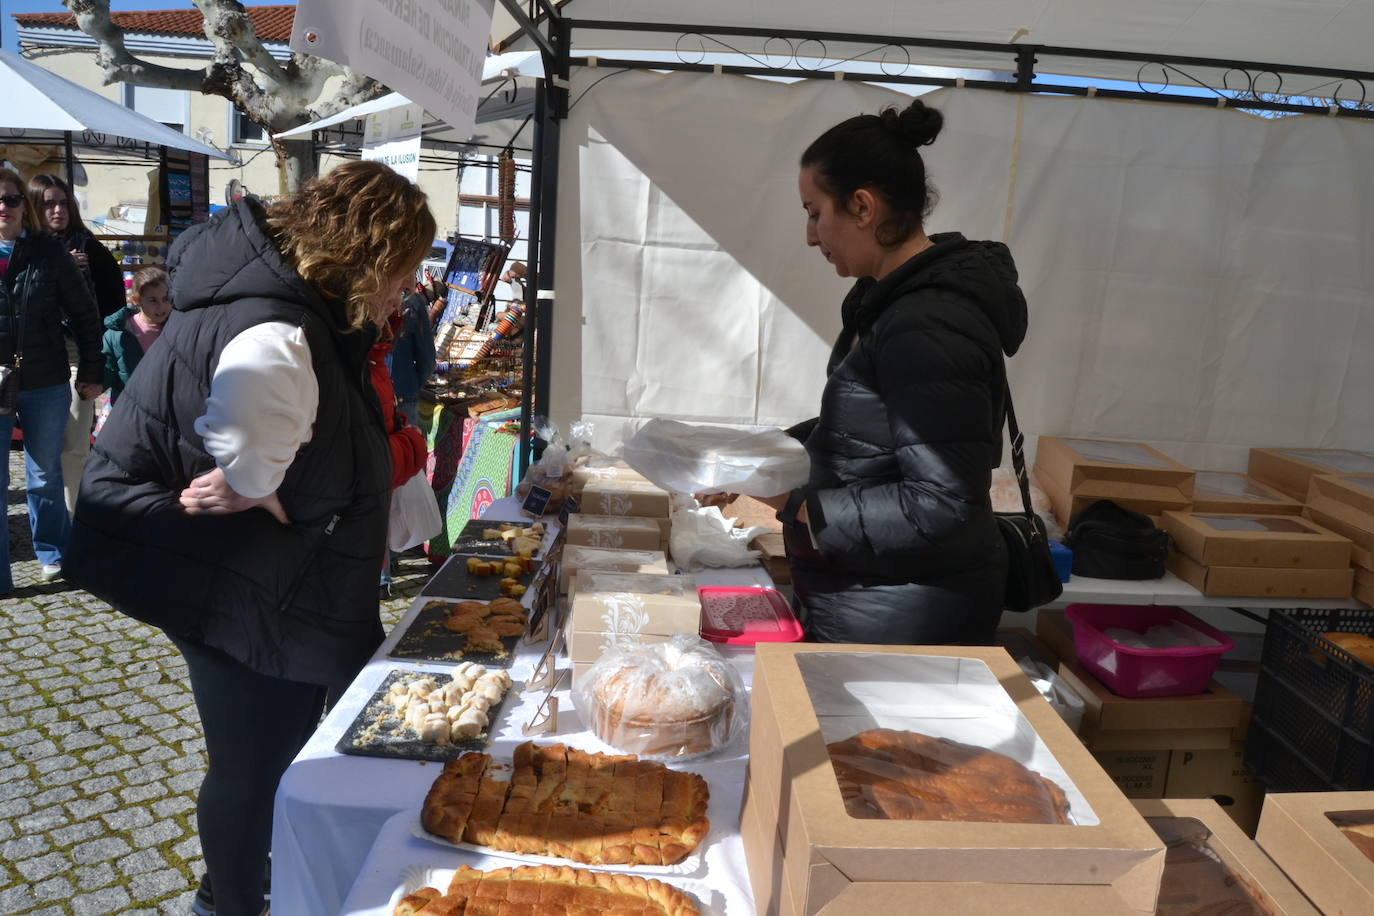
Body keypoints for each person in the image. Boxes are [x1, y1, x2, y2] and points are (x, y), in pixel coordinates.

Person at [64, 160, 436, 916]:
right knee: (250, 761)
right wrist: (258, 483)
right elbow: (244, 446)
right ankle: (226, 902)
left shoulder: (296, 304)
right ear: (371, 250)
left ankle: (255, 880)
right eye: (401, 272)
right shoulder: (279, 323)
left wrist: (267, 485)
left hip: (268, 577)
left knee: (269, 750)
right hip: (240, 579)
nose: (403, 290)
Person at [756, 99, 1026, 645]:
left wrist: (800, 503)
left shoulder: (930, 323)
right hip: (878, 595)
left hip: (903, 610)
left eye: (814, 212)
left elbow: (941, 505)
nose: (811, 235)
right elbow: (865, 429)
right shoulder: (890, 305)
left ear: (861, 207)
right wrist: (763, 459)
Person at [0, 168, 103, 590]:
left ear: (25, 205)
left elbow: (84, 315)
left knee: (44, 476)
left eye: (10, 199)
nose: (3, 208)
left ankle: (54, 555)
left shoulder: (48, 253)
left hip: (45, 380)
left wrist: (93, 370)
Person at [27, 174, 126, 516]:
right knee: (41, 452)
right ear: (34, 208)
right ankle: (49, 528)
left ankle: (75, 520)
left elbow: (114, 303)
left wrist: (85, 278)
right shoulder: (24, 249)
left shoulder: (89, 247)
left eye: (63, 203)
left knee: (74, 444)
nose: (58, 210)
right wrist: (59, 271)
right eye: (49, 203)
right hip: (33, 356)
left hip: (75, 355)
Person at [372, 304, 429, 590]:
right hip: (402, 394)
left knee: (388, 486)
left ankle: (386, 569)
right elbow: (427, 357)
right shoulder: (413, 303)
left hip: (395, 395)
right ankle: (390, 558)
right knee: (391, 484)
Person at [101, 265, 169, 402]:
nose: (161, 306)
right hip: (129, 404)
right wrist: (94, 384)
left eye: (166, 298)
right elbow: (108, 369)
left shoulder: (177, 328)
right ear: (137, 300)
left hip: (166, 404)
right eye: (153, 300)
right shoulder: (117, 334)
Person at [387, 287, 436, 430]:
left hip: (373, 393)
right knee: (406, 448)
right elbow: (427, 361)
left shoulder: (360, 295)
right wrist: (413, 383)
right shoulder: (413, 301)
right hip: (403, 391)